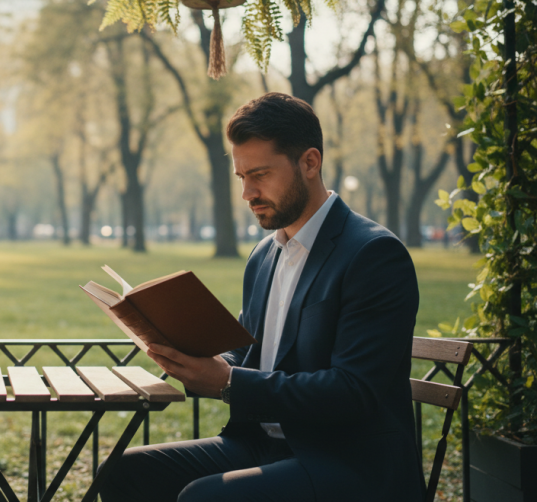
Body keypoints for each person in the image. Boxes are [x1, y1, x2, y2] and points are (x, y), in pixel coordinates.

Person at [99, 93, 424, 502]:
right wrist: (194, 358)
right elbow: (248, 357)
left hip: (350, 461)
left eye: (261, 174)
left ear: (310, 162)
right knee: (124, 472)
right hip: (263, 446)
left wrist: (229, 382)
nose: (247, 193)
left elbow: (353, 391)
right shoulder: (264, 254)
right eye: (242, 177)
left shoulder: (373, 254)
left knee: (204, 497)